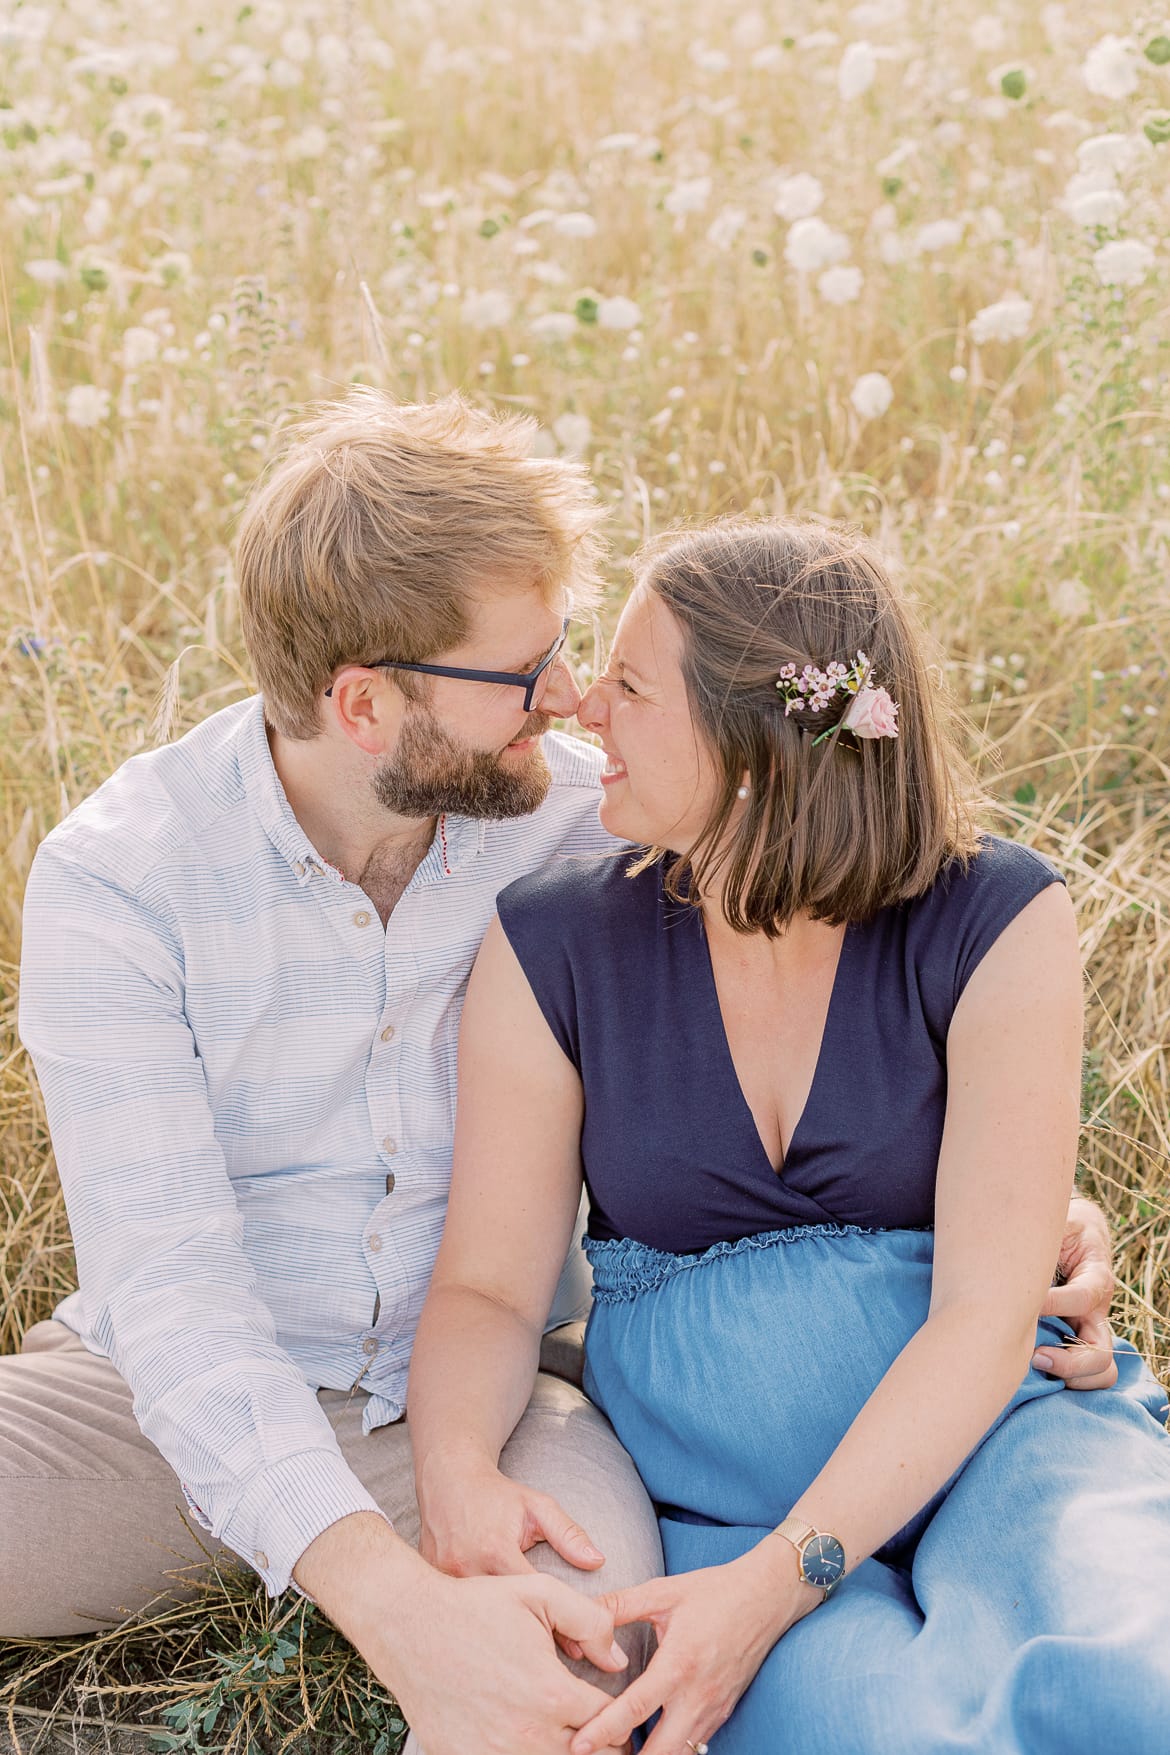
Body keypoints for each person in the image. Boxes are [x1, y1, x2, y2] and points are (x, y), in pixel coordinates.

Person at [408, 517, 1170, 1755]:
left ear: (754, 753)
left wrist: (777, 1588)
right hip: (721, 1500)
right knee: (895, 1737)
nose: (586, 704)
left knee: (1130, 1684)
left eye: (633, 685)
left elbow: (985, 1312)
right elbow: (492, 1286)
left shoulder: (996, 918)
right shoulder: (550, 947)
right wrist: (457, 1472)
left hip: (1000, 1438)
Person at [8, 390, 664, 1754]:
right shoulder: (119, 879)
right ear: (364, 702)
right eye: (520, 671)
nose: (563, 694)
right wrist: (387, 1600)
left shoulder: (580, 823)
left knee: (597, 1688)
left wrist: (1023, 1208)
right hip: (159, 1405)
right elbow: (176, 1293)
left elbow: (843, 941)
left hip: (487, 1402)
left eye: (559, 650)